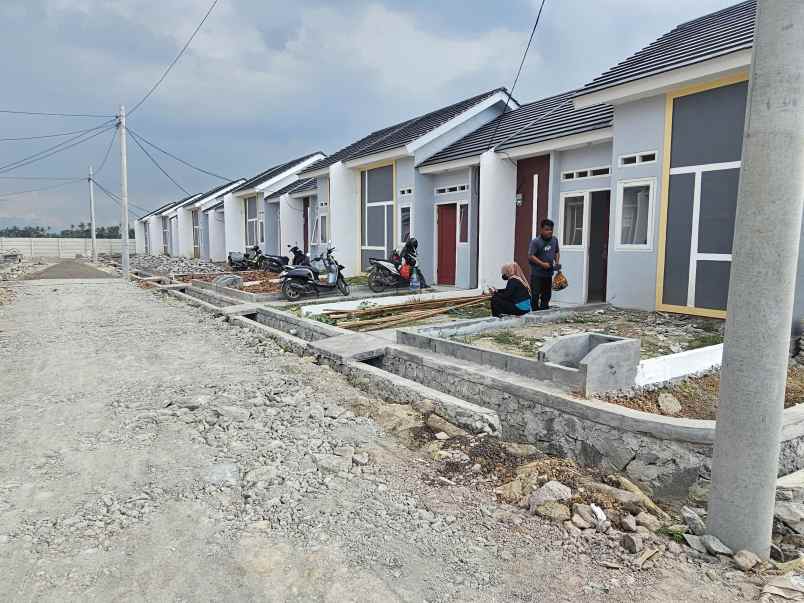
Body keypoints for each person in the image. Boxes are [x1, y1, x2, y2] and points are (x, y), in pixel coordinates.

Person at [528, 219, 560, 311]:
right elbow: (531, 256)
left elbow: (556, 252)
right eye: (547, 229)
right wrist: (542, 264)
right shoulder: (536, 242)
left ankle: (544, 311)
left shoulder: (554, 240)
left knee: (546, 295)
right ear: (541, 229)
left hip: (548, 274)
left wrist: (557, 262)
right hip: (537, 274)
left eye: (551, 230)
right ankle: (535, 312)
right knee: (535, 294)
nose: (549, 232)